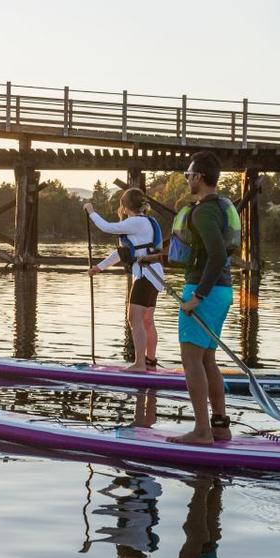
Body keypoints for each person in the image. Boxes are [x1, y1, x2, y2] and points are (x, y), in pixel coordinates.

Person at [169, 152, 236, 445]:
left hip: (205, 292)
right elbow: (207, 253)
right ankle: (219, 427)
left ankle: (201, 431)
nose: (187, 180)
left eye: (188, 175)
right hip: (223, 290)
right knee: (208, 359)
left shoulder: (203, 211)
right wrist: (152, 257)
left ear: (199, 177)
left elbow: (218, 254)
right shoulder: (220, 207)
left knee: (191, 361)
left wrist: (197, 296)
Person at [89, 187, 166, 372]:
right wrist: (99, 267)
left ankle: (140, 364)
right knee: (147, 320)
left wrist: (91, 212)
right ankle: (150, 362)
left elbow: (107, 227)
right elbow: (122, 253)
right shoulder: (145, 222)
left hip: (146, 276)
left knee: (135, 318)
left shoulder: (136, 222)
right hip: (154, 275)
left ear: (125, 206)